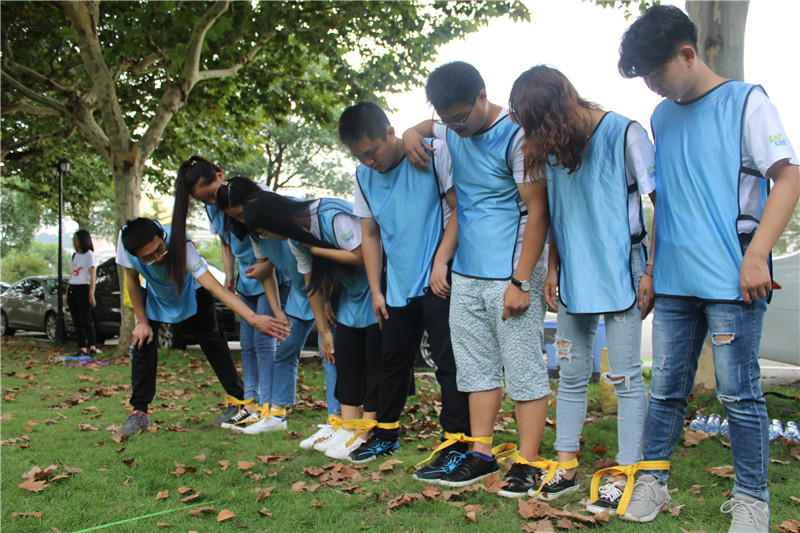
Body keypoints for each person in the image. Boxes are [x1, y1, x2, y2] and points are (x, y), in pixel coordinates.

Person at [617, 5, 799, 531]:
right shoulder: (662, 117)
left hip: (731, 278)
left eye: (656, 72)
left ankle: (752, 500)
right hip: (673, 280)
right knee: (667, 387)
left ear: (688, 53)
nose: (651, 85)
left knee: (738, 392)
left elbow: (788, 178)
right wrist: (650, 269)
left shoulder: (748, 102)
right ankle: (651, 481)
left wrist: (757, 255)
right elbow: (665, 201)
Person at [509, 65, 655, 513]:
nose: (533, 136)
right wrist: (551, 269)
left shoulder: (626, 133)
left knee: (626, 377)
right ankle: (566, 466)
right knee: (570, 377)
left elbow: (659, 203)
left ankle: (627, 470)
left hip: (624, 274)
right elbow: (554, 213)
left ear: (560, 105)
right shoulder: (552, 149)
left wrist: (651, 270)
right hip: (574, 277)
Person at [403, 61, 550, 495]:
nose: (454, 127)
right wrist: (414, 133)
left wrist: (522, 282)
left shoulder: (517, 136)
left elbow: (539, 213)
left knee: (523, 370)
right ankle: (482, 454)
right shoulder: (448, 127)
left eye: (461, 117)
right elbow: (425, 125)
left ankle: (526, 462)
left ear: (483, 96)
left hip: (511, 273)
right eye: (447, 119)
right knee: (475, 370)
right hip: (466, 273)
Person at [337, 102, 471, 466]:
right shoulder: (363, 176)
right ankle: (385, 434)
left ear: (390, 133)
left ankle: (456, 442)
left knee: (447, 363)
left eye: (372, 151)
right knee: (392, 360)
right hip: (396, 285)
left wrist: (441, 262)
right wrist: (376, 291)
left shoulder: (429, 153)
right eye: (359, 155)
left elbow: (460, 210)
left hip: (438, 278)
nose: (369, 161)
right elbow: (370, 233)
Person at [225, 191, 384, 460]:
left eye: (266, 231)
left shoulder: (332, 217)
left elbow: (360, 254)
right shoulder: (297, 239)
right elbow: (313, 285)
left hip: (378, 286)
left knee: (373, 362)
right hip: (351, 294)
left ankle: (367, 430)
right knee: (343, 357)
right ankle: (348, 427)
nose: (270, 238)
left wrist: (316, 249)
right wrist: (323, 332)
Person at [116, 217, 290, 436]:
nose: (158, 258)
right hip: (158, 294)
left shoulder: (182, 246)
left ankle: (239, 401)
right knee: (142, 341)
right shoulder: (125, 243)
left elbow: (215, 288)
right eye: (148, 258)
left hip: (193, 290)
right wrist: (141, 322)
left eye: (160, 250)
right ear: (135, 255)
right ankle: (139, 412)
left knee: (213, 342)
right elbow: (131, 278)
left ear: (162, 234)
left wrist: (253, 318)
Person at [215, 177, 341, 439]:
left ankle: (336, 420)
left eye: (240, 214)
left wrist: (326, 300)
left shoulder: (291, 212)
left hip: (324, 289)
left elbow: (317, 262)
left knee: (328, 351)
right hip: (297, 294)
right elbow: (266, 271)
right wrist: (278, 311)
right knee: (284, 350)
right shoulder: (254, 231)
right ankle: (276, 415)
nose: (241, 221)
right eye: (234, 217)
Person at [171, 156, 284, 434]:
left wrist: (267, 265)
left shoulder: (252, 193)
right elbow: (226, 242)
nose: (212, 203)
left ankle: (270, 409)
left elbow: (281, 236)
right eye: (204, 201)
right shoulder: (214, 210)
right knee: (247, 343)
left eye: (211, 195)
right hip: (246, 281)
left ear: (220, 175)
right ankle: (250, 405)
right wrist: (229, 275)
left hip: (270, 274)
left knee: (264, 338)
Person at [65, 229, 99, 358]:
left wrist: (91, 293)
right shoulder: (75, 255)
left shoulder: (89, 255)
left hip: (84, 288)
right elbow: (72, 274)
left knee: (86, 320)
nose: (75, 242)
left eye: (76, 239)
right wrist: (67, 293)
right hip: (74, 287)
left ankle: (92, 346)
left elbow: (92, 274)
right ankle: (82, 347)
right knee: (77, 320)